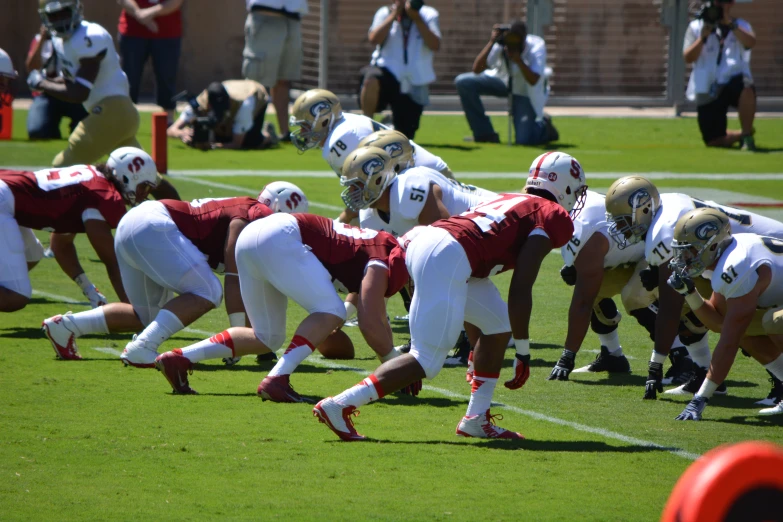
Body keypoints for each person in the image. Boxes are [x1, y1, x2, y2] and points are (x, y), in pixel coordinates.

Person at [313, 152, 586, 441]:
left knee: (497, 326)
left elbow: (477, 261)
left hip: (433, 244)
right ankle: (340, 404)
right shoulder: (553, 215)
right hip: (447, 254)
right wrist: (523, 351)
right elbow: (521, 287)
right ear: (566, 188)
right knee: (427, 360)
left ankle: (476, 418)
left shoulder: (507, 198)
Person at [43, 182, 307, 364]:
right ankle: (142, 348)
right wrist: (237, 336)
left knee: (145, 313)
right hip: (155, 226)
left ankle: (66, 326)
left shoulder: (252, 214)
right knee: (208, 290)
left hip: (138, 224)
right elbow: (234, 277)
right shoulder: (256, 215)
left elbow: (252, 287)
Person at [154, 212, 410, 397]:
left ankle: (179, 358)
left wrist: (392, 360)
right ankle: (277, 378)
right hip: (282, 236)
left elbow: (368, 306)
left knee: (266, 337)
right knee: (328, 310)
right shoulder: (386, 256)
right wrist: (396, 367)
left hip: (257, 235)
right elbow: (370, 322)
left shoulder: (380, 250)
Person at [603, 176, 783, 400]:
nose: (619, 228)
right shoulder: (663, 208)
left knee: (742, 323)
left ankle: (778, 380)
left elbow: (669, 310)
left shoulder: (664, 229)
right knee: (694, 304)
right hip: (738, 263)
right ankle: (701, 370)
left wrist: (655, 365)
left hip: (761, 264)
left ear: (645, 208)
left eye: (622, 221)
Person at [1, 147, 158, 317]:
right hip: (4, 200)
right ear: (126, 177)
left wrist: (89, 290)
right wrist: (135, 311)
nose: (143, 194)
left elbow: (61, 245)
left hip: (7, 196)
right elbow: (113, 261)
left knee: (32, 254)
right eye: (142, 186)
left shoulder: (92, 181)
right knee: (16, 296)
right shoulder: (104, 195)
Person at [667, 209, 783, 419]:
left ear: (712, 245)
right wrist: (689, 292)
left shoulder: (737, 263)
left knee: (774, 322)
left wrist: (700, 398)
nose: (684, 258)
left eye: (690, 250)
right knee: (747, 328)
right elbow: (718, 322)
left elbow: (729, 340)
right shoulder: (726, 256)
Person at [289, 89, 452, 223]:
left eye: (305, 126)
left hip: (426, 182)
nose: (302, 133)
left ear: (323, 119)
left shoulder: (339, 141)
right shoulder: (345, 124)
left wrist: (337, 225)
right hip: (418, 177)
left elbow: (364, 193)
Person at [455, 20, 556, 145]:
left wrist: (519, 61)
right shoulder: (502, 44)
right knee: (464, 82)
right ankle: (484, 134)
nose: (512, 41)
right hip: (502, 81)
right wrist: (492, 42)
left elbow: (533, 80)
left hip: (524, 91)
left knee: (523, 140)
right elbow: (476, 70)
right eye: (510, 37)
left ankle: (545, 126)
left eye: (516, 38)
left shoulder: (536, 45)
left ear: (524, 37)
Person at [359, 0, 441, 139]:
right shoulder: (384, 12)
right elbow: (373, 39)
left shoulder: (428, 14)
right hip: (387, 71)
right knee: (371, 79)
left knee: (405, 135)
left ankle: (391, 122)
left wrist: (417, 19)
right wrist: (393, 15)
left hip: (414, 78)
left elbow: (435, 44)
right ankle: (366, 128)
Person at [683, 0, 757, 151]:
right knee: (713, 140)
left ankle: (747, 136)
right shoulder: (696, 27)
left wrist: (730, 24)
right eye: (718, 2)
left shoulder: (740, 25)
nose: (721, 6)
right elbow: (688, 57)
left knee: (747, 88)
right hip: (707, 86)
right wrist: (703, 37)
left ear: (732, 4)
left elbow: (750, 43)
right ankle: (740, 135)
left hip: (733, 79)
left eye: (726, 2)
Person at [242, 0, 307, 141]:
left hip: (293, 18)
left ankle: (285, 133)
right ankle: (247, 131)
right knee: (258, 81)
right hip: (265, 13)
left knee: (284, 80)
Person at [117, 0, 184, 123]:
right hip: (132, 31)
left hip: (167, 32)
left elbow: (176, 2)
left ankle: (169, 120)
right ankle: (124, 119)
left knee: (167, 76)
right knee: (128, 76)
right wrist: (140, 15)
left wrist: (148, 14)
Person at [167, 80, 277, 150]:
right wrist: (181, 133)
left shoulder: (245, 104)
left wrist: (213, 145)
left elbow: (236, 143)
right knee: (221, 136)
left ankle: (268, 135)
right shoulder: (200, 102)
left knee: (251, 142)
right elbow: (170, 130)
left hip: (257, 96)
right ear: (209, 105)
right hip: (237, 98)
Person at [25, 25, 88, 140]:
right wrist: (43, 39)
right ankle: (50, 127)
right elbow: (31, 68)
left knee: (87, 134)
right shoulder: (40, 39)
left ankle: (76, 126)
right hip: (48, 94)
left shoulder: (81, 39)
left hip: (74, 93)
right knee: (37, 132)